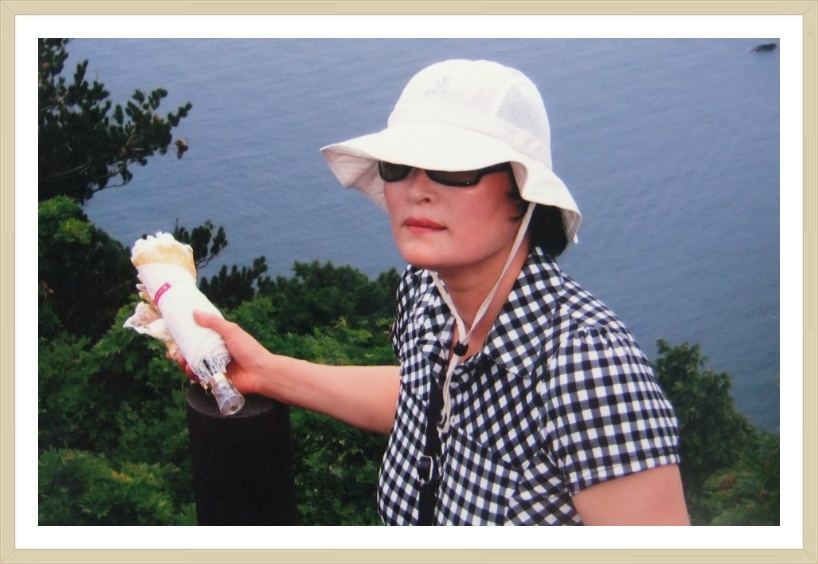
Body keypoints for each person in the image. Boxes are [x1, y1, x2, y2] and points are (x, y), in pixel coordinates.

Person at [184, 59, 689, 525]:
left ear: (523, 193)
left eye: (454, 168)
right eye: (399, 165)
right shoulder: (427, 296)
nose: (417, 189)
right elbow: (425, 399)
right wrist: (266, 371)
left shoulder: (587, 365)